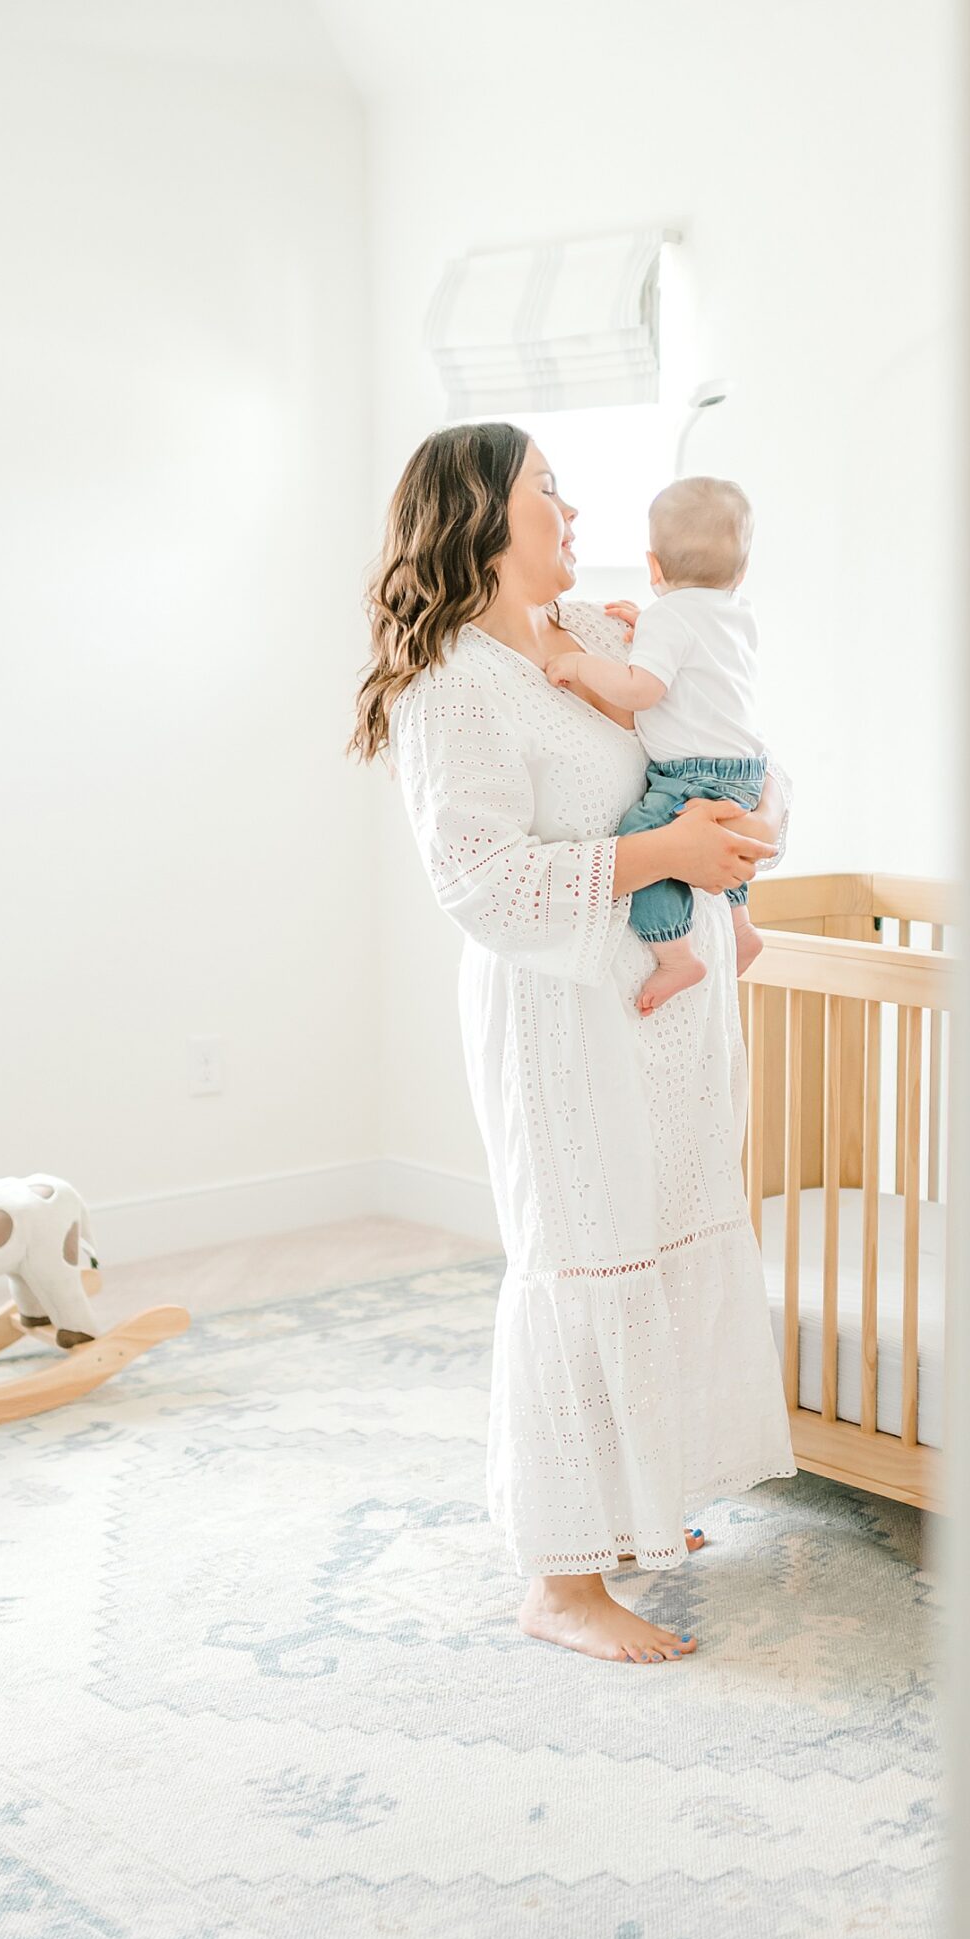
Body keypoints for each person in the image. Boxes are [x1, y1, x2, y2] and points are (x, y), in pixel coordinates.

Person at [350, 423, 797, 1665]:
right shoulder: (452, 685)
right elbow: (481, 881)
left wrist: (745, 823)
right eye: (548, 487)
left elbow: (725, 725)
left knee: (658, 1236)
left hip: (663, 1008)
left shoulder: (598, 639)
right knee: (584, 1252)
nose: (572, 506)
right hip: (564, 1016)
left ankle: (644, 1509)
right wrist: (664, 854)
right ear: (482, 517)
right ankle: (559, 1580)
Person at [545, 475, 768, 1016]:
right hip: (745, 769)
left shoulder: (670, 617)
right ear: (741, 570)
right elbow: (702, 669)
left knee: (640, 840)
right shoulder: (738, 615)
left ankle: (675, 955)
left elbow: (642, 689)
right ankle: (739, 924)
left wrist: (580, 665)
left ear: (653, 567)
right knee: (721, 839)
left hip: (693, 772)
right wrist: (652, 631)